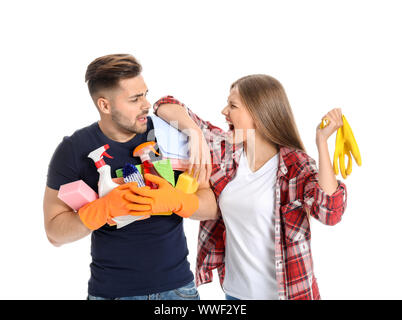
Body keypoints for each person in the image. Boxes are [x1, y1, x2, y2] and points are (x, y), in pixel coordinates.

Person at [130, 74, 348, 300]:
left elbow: (330, 212)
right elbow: (165, 105)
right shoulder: (225, 151)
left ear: (258, 114)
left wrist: (321, 142)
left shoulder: (295, 166)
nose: (225, 111)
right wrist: (193, 132)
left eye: (233, 105)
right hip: (235, 295)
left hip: (287, 295)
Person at [43, 54, 217, 300]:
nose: (146, 104)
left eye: (145, 94)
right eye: (135, 99)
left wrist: (178, 201)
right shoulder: (74, 150)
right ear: (105, 105)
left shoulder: (168, 133)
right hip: (112, 293)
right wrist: (101, 210)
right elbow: (54, 232)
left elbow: (211, 206)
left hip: (178, 291)